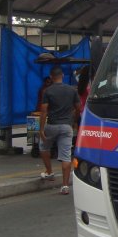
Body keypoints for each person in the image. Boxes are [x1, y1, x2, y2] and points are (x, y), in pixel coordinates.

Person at [39, 66, 81, 195]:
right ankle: (65, 186)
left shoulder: (48, 91)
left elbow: (44, 111)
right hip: (66, 127)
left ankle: (49, 172)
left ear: (51, 77)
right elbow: (79, 108)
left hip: (51, 125)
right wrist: (73, 119)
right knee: (66, 156)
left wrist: (41, 129)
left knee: (43, 147)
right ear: (62, 75)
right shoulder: (72, 90)